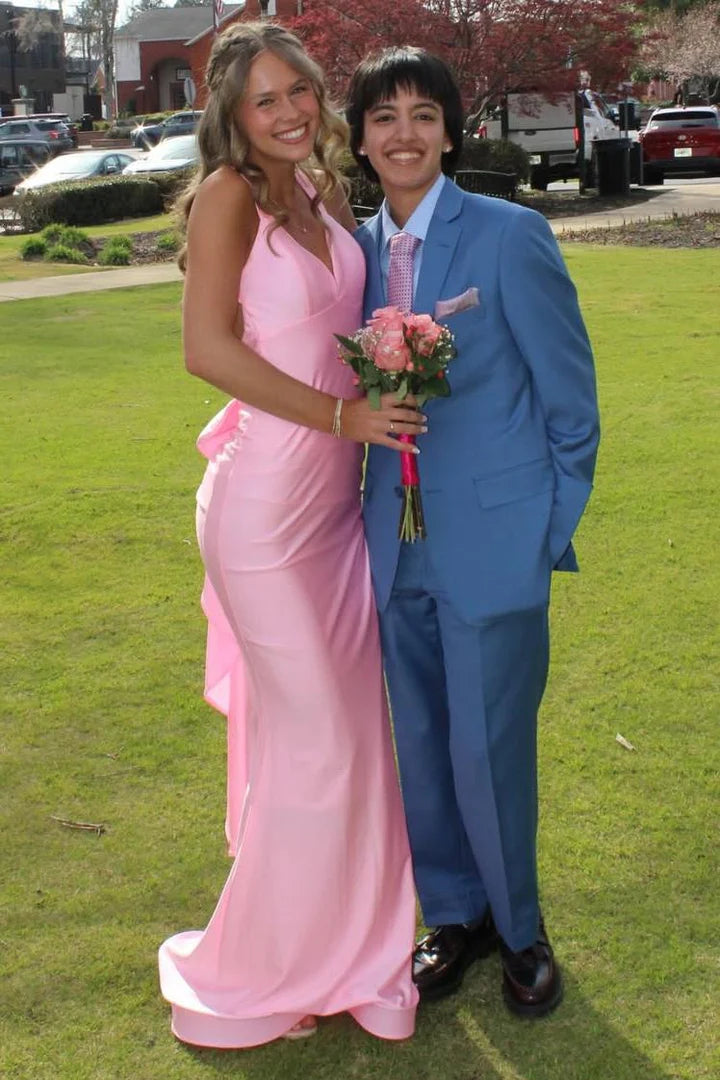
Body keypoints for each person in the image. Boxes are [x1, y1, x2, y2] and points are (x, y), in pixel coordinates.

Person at [157, 23, 423, 1048]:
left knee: (354, 737)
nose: (288, 113)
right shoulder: (229, 197)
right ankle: (271, 967)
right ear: (233, 114)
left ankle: (359, 953)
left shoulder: (320, 189)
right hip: (265, 513)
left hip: (334, 508)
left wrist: (402, 357)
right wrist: (341, 415)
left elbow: (347, 328)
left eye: (299, 91)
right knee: (317, 742)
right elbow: (206, 349)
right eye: (264, 100)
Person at [346, 47, 600, 1017]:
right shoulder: (350, 256)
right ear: (360, 140)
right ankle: (453, 917)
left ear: (451, 131)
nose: (403, 133)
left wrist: (541, 531)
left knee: (490, 749)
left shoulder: (510, 235)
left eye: (423, 114)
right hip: (390, 539)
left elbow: (570, 403)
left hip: (495, 543)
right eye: (383, 117)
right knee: (419, 741)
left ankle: (522, 930)